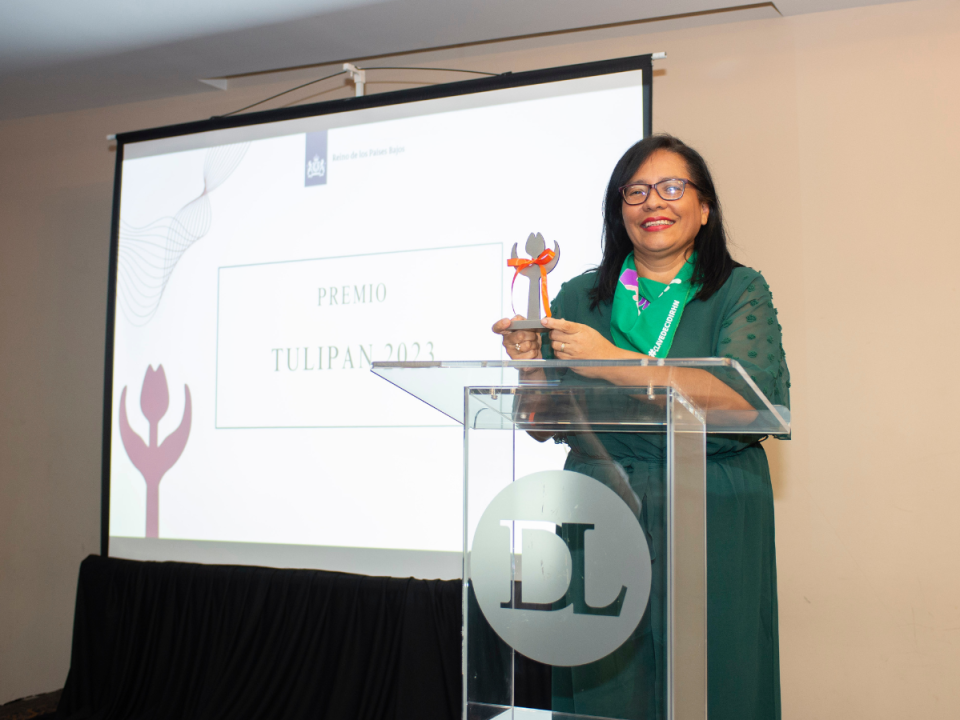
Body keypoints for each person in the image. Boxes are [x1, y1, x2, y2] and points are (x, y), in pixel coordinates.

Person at [493, 134, 789, 720]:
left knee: (716, 675)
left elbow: (746, 404)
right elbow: (544, 424)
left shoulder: (738, 290)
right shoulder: (579, 294)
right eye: (637, 191)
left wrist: (614, 361)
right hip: (602, 500)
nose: (654, 202)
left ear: (703, 208)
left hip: (714, 502)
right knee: (603, 681)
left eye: (673, 187)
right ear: (619, 210)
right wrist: (530, 366)